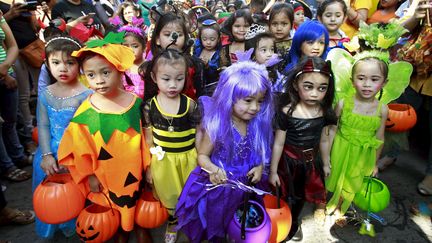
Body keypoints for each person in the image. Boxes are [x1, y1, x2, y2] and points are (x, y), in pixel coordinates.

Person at [57, 32, 151, 242]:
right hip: (105, 174)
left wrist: (149, 166)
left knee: (134, 200)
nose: (99, 80)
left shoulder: (135, 103)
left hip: (134, 170)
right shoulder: (86, 112)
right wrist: (89, 174)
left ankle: (137, 225)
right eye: (91, 75)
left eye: (105, 73)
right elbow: (79, 147)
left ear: (119, 70)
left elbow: (146, 137)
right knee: (113, 205)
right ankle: (120, 229)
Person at [175, 61, 274, 242]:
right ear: (230, 97)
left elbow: (260, 152)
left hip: (247, 187)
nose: (255, 108)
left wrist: (260, 167)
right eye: (248, 101)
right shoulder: (218, 127)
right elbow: (203, 156)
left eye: (260, 101)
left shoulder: (257, 124)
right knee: (218, 223)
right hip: (221, 189)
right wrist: (214, 169)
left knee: (241, 224)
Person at [269, 57, 336, 240]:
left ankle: (293, 223)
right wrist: (273, 171)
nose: (315, 93)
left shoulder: (325, 112)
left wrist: (326, 163)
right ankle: (280, 223)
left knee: (301, 197)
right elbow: (279, 143)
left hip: (310, 164)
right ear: (297, 84)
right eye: (309, 86)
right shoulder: (287, 112)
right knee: (283, 195)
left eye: (322, 88)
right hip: (288, 164)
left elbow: (323, 140)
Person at [32, 35, 91, 239]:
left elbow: (88, 133)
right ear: (47, 64)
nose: (62, 68)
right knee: (53, 199)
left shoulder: (87, 94)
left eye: (70, 62)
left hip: (76, 154)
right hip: (49, 151)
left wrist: (74, 157)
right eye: (56, 62)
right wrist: (47, 154)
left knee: (77, 198)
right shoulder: (46, 93)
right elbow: (44, 124)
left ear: (80, 65)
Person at [142, 48, 200, 243]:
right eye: (166, 79)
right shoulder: (150, 107)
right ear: (154, 77)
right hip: (163, 161)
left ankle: (192, 222)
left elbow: (198, 133)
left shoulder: (190, 105)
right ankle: (173, 222)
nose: (173, 85)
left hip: (187, 159)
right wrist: (148, 166)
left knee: (189, 192)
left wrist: (201, 160)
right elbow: (148, 136)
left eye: (179, 79)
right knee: (170, 195)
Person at [325, 56, 389, 225]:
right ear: (352, 81)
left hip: (362, 154)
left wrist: (375, 163)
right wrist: (326, 157)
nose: (367, 84)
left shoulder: (382, 109)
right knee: (331, 177)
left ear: (384, 82)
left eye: (374, 79)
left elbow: (380, 137)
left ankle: (340, 206)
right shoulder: (343, 104)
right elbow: (332, 130)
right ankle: (320, 203)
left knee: (352, 181)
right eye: (361, 78)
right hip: (340, 148)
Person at [145, 12, 203, 100]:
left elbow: (200, 94)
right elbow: (148, 96)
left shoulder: (195, 64)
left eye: (179, 35)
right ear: (157, 39)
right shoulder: (150, 66)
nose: (173, 38)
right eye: (167, 34)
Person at [193, 19, 222, 97]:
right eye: (204, 39)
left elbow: (216, 74)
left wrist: (207, 66)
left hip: (211, 90)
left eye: (212, 39)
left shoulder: (219, 54)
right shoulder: (197, 50)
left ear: (218, 39)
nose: (208, 42)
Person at [120, 25, 146, 99]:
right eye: (126, 46)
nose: (130, 50)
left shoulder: (150, 66)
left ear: (144, 47)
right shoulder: (122, 69)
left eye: (135, 46)